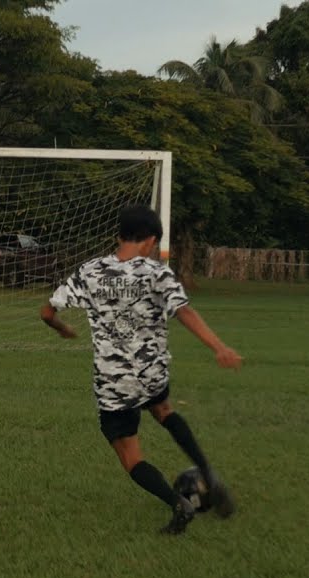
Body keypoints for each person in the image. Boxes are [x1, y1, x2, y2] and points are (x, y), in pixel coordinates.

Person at [40, 205, 243, 534]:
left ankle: (178, 504)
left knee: (130, 456)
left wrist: (63, 329)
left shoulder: (90, 271)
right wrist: (219, 347)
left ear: (120, 235)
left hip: (113, 381)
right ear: (150, 240)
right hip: (151, 372)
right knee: (164, 411)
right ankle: (207, 471)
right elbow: (184, 312)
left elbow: (47, 313)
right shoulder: (156, 273)